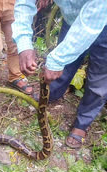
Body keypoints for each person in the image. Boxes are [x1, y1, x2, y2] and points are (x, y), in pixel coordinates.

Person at [12, 0, 107, 148]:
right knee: (62, 68)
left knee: (99, 80)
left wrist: (57, 60)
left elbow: (90, 24)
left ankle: (82, 124)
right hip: (71, 21)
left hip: (102, 23)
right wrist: (24, 44)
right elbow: (24, 3)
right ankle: (51, 95)